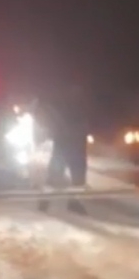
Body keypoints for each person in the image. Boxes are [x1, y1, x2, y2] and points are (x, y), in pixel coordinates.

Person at [39, 85, 92, 214]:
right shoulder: (66, 103)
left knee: (77, 176)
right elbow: (55, 118)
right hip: (66, 142)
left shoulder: (78, 103)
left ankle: (71, 202)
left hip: (75, 142)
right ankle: (45, 200)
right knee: (57, 173)